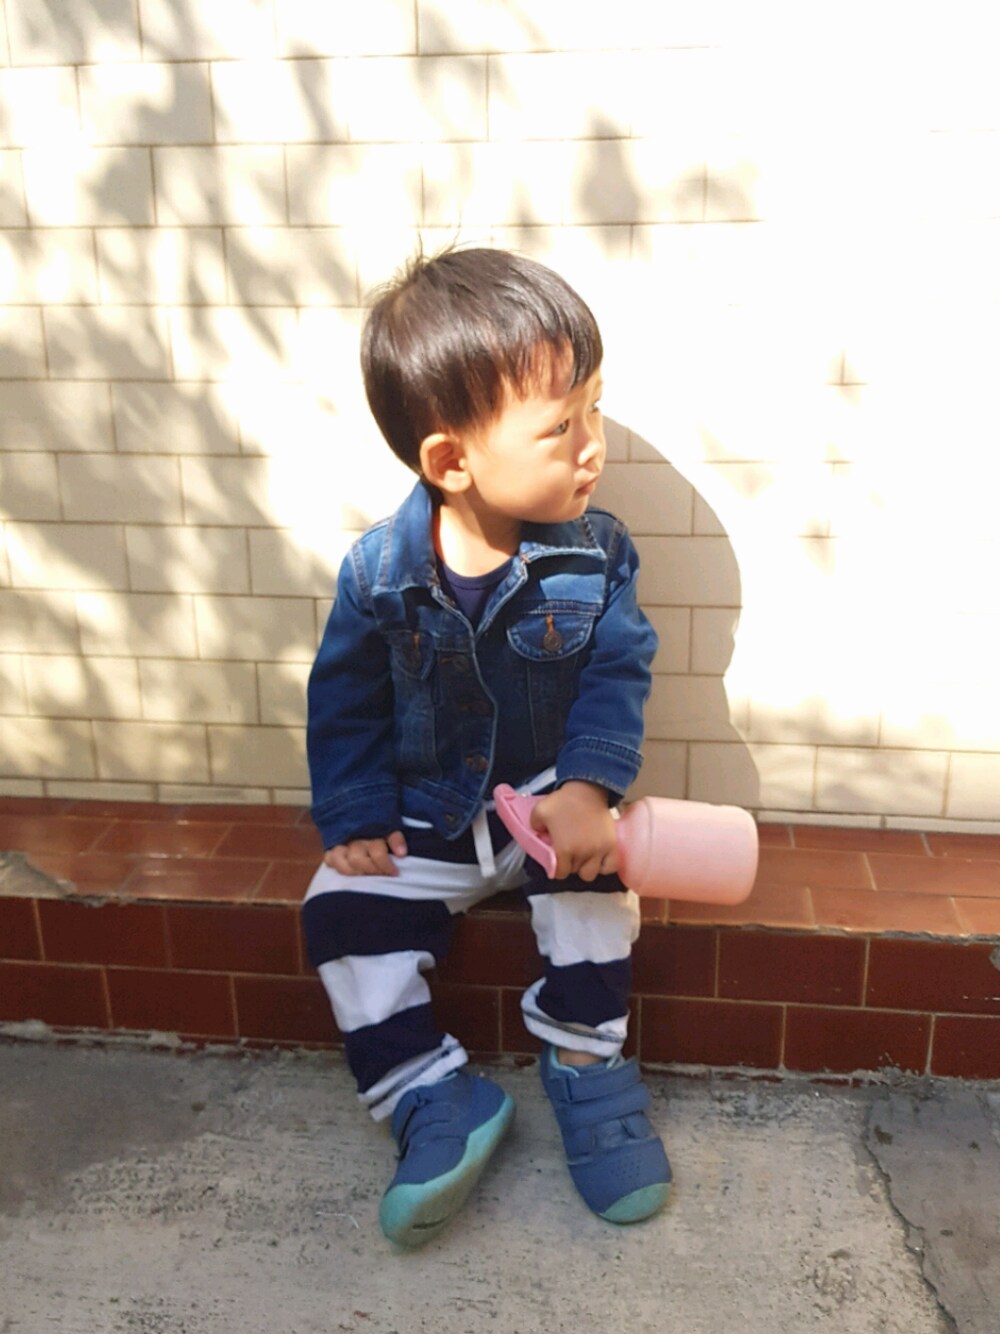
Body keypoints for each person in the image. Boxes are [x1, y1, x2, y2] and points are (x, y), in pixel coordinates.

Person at [302, 246, 671, 1247]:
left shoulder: (598, 557)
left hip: (550, 804)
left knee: (601, 888)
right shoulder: (377, 574)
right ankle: (430, 1093)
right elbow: (345, 699)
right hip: (430, 810)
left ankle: (587, 1067)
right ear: (451, 461)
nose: (592, 447)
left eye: (595, 410)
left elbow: (618, 671)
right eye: (561, 426)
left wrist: (589, 788)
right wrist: (354, 814)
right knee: (337, 909)